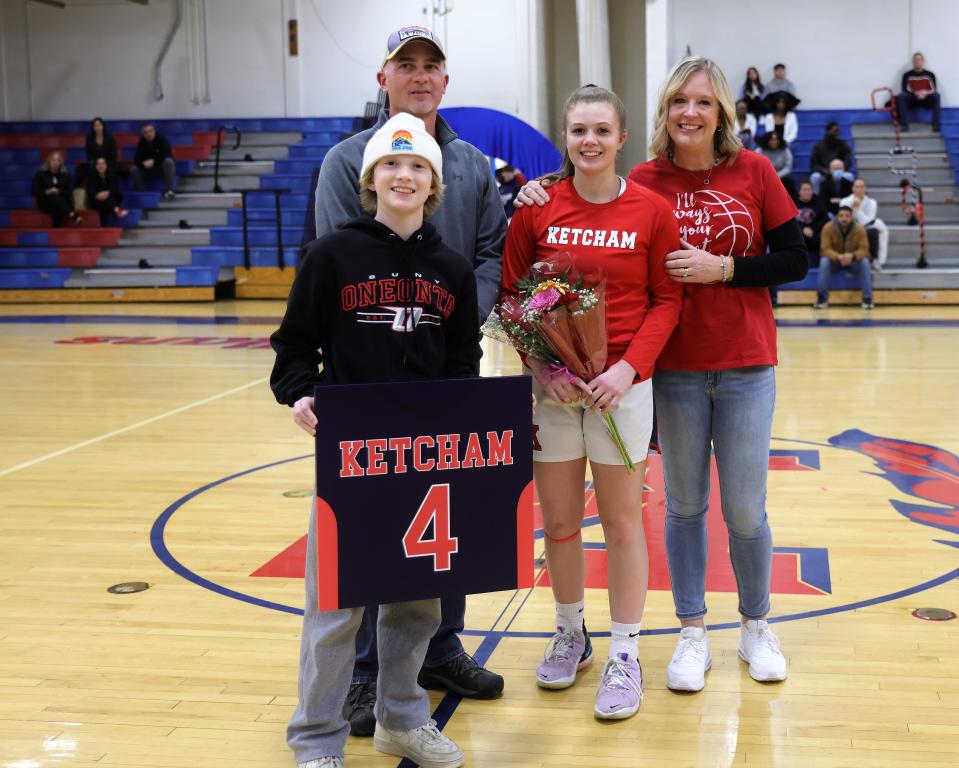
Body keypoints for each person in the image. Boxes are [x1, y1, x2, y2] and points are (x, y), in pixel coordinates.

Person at [516, 56, 808, 693]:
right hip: (669, 370)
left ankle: (756, 624)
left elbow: (796, 258)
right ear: (661, 114)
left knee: (746, 510)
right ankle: (690, 631)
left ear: (722, 111)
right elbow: (560, 225)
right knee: (681, 507)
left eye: (703, 102)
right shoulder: (643, 178)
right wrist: (536, 188)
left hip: (740, 361)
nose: (690, 113)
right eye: (679, 102)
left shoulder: (755, 170)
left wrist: (724, 269)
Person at [308, 24, 508, 739]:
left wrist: (455, 321)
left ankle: (440, 647)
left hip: (450, 371)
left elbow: (490, 253)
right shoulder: (343, 162)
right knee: (368, 523)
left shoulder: (474, 166)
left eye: (431, 65)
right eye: (405, 65)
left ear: (445, 81)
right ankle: (364, 673)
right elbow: (339, 261)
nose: (419, 75)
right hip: (367, 379)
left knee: (444, 514)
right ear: (383, 77)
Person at [270, 112, 473, 768]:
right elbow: (293, 344)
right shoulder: (333, 253)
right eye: (391, 164)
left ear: (433, 183)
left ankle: (402, 720)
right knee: (336, 606)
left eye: (417, 166)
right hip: (351, 451)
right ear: (371, 179)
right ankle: (316, 739)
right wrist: (300, 390)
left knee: (415, 604)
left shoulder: (450, 266)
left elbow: (462, 361)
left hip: (423, 458)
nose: (404, 175)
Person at [503, 84, 682, 720]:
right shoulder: (536, 209)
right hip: (553, 392)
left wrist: (630, 369)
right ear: (565, 136)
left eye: (602, 130)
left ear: (622, 138)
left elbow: (668, 299)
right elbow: (512, 294)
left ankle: (626, 652)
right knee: (558, 524)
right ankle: (570, 633)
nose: (590, 141)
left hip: (623, 391)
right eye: (579, 130)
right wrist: (541, 365)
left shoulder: (652, 211)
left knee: (623, 523)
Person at [815, 205, 873, 309]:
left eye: (847, 216)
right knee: (824, 261)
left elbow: (864, 250)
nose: (844, 218)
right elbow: (825, 249)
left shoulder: (860, 229)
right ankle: (822, 299)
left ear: (851, 217)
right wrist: (838, 257)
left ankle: (867, 299)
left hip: (853, 262)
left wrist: (852, 256)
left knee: (865, 262)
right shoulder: (828, 228)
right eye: (841, 216)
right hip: (835, 262)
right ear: (837, 217)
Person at [841, 179, 888, 270]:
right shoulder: (844, 201)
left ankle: (876, 260)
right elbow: (844, 219)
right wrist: (853, 207)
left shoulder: (872, 202)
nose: (859, 189)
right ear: (853, 189)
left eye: (862, 187)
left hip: (866, 227)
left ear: (865, 189)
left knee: (874, 232)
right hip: (849, 227)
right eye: (857, 187)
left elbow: (867, 221)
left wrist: (858, 209)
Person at [896, 52, 941, 132]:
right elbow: (904, 89)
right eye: (915, 60)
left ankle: (935, 125)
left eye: (919, 59)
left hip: (926, 99)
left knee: (936, 95)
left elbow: (934, 89)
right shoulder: (907, 75)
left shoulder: (930, 74)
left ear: (923, 61)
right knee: (902, 96)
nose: (917, 61)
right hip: (913, 99)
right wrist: (916, 93)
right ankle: (904, 125)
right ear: (913, 61)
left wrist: (925, 93)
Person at [130, 123, 176, 200]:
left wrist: (154, 161)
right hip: (148, 170)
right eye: (146, 132)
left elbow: (168, 154)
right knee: (133, 169)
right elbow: (136, 160)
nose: (148, 134)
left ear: (154, 131)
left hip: (160, 168)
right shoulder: (141, 144)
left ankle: (169, 190)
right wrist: (143, 164)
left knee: (169, 161)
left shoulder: (161, 139)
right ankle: (141, 193)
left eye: (150, 131)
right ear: (143, 134)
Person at [31, 151, 77, 227]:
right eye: (53, 159)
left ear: (61, 163)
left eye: (58, 160)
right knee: (53, 196)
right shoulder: (40, 174)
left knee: (56, 204)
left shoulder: (66, 175)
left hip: (63, 202)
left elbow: (69, 191)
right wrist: (47, 191)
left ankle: (56, 231)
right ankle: (71, 213)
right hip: (45, 203)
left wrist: (59, 191)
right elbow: (34, 190)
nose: (55, 162)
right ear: (49, 161)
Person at [809, 123, 852, 195]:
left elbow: (848, 161)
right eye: (835, 131)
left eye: (838, 131)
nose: (838, 133)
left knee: (848, 176)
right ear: (828, 131)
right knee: (815, 177)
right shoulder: (818, 146)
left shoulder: (843, 144)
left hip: (839, 172)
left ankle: (848, 199)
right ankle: (815, 198)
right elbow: (813, 164)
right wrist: (825, 171)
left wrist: (841, 168)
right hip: (824, 173)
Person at [85, 157, 128, 227]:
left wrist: (107, 193)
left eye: (103, 164)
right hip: (96, 200)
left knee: (106, 199)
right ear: (95, 166)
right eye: (98, 164)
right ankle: (117, 209)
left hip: (112, 197)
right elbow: (90, 190)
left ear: (106, 165)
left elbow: (114, 188)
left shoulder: (111, 173)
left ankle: (103, 226)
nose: (101, 166)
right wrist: (97, 196)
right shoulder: (91, 175)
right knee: (103, 203)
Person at [795, 181, 829, 264]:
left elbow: (825, 220)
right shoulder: (793, 203)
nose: (807, 192)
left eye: (809, 190)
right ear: (799, 191)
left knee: (821, 237)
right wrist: (802, 229)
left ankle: (820, 264)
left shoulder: (819, 202)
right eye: (804, 190)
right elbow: (789, 222)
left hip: (815, 233)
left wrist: (812, 229)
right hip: (798, 233)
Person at [757, 132, 797, 201]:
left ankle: (790, 205)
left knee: (789, 182)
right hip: (764, 177)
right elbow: (755, 166)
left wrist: (776, 176)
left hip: (781, 177)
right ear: (767, 141)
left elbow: (788, 167)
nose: (774, 142)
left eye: (776, 140)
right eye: (771, 140)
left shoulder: (785, 150)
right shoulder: (759, 150)